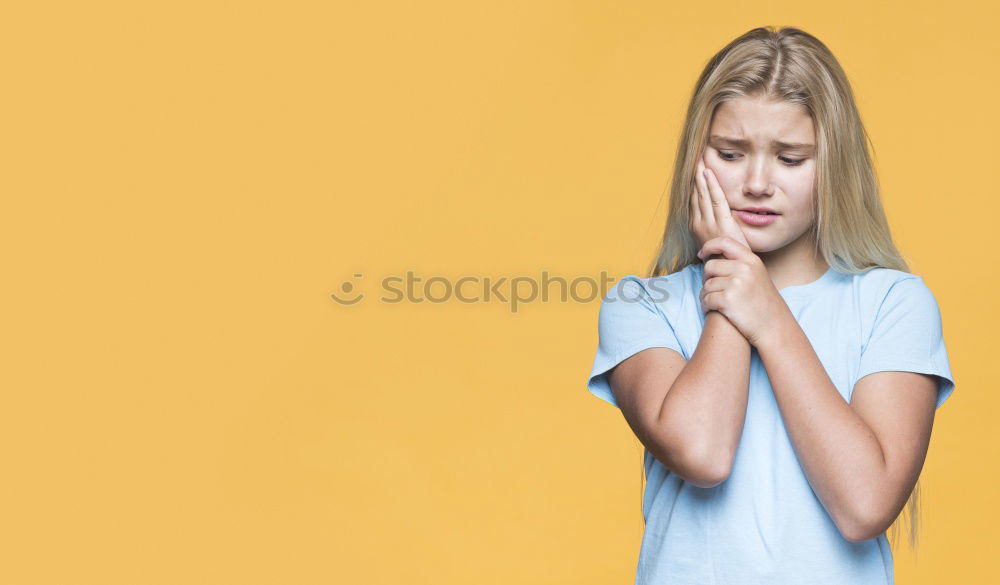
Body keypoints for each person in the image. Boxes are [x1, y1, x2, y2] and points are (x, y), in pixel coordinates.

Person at [585, 26, 955, 585]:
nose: (757, 183)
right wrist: (731, 271)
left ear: (833, 165)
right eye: (730, 154)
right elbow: (704, 453)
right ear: (696, 157)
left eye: (790, 159)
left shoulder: (894, 305)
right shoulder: (643, 305)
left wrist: (770, 317)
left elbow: (863, 506)